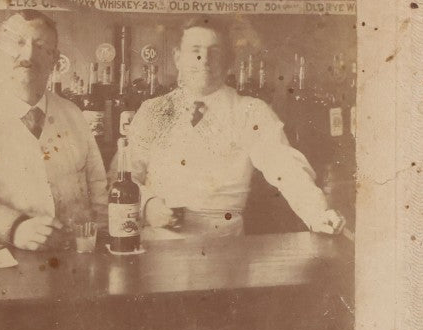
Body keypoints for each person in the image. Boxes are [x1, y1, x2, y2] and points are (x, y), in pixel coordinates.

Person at [125, 19, 345, 239]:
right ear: (177, 58)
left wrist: (318, 213)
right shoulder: (153, 111)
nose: (204, 60)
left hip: (224, 249)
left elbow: (285, 167)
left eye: (215, 52)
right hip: (158, 246)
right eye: (195, 51)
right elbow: (123, 176)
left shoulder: (250, 111)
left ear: (228, 61)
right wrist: (147, 205)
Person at [0, 10, 107, 251]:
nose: (28, 55)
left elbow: (99, 192)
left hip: (71, 258)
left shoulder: (73, 115)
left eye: (41, 46)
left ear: (54, 60)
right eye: (18, 43)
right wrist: (16, 229)